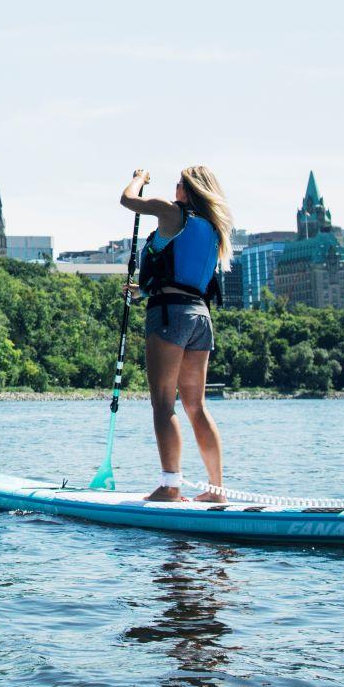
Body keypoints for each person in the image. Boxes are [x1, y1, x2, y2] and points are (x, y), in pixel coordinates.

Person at [119, 166, 234, 503]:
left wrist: (139, 178)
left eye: (179, 184)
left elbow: (127, 200)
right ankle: (216, 490)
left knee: (163, 403)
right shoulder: (214, 228)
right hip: (200, 317)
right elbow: (185, 276)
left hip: (170, 316)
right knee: (196, 407)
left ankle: (171, 487)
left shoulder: (173, 212)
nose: (175, 188)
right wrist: (141, 293)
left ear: (190, 189)